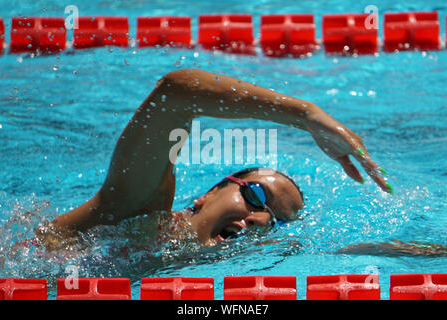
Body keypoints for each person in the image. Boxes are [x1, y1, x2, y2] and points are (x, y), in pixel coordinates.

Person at [34, 68, 391, 249]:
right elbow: (174, 94)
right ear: (207, 195)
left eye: (276, 221)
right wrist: (306, 114)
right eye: (255, 196)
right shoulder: (141, 211)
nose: (261, 219)